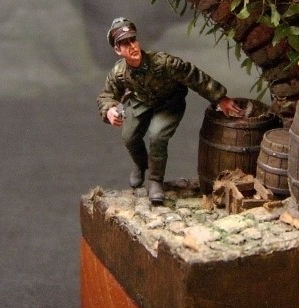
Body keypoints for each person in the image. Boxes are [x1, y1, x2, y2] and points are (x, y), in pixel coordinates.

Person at [97, 17, 243, 204]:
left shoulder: (164, 63)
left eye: (133, 40)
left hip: (168, 103)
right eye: (125, 44)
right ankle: (141, 165)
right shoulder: (119, 72)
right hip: (141, 103)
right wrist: (110, 109)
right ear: (118, 50)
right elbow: (106, 95)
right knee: (129, 137)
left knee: (157, 136)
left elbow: (193, 76)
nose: (132, 46)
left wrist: (220, 98)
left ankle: (155, 180)